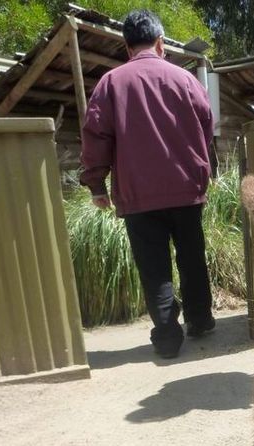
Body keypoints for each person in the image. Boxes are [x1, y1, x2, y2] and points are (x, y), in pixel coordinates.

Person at [80, 9, 215, 359]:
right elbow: (206, 126)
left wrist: (96, 184)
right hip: (187, 188)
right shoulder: (185, 80)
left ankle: (168, 338)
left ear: (127, 48)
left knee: (154, 267)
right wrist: (206, 171)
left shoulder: (110, 84)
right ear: (160, 43)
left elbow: (96, 136)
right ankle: (200, 320)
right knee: (191, 255)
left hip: (138, 194)